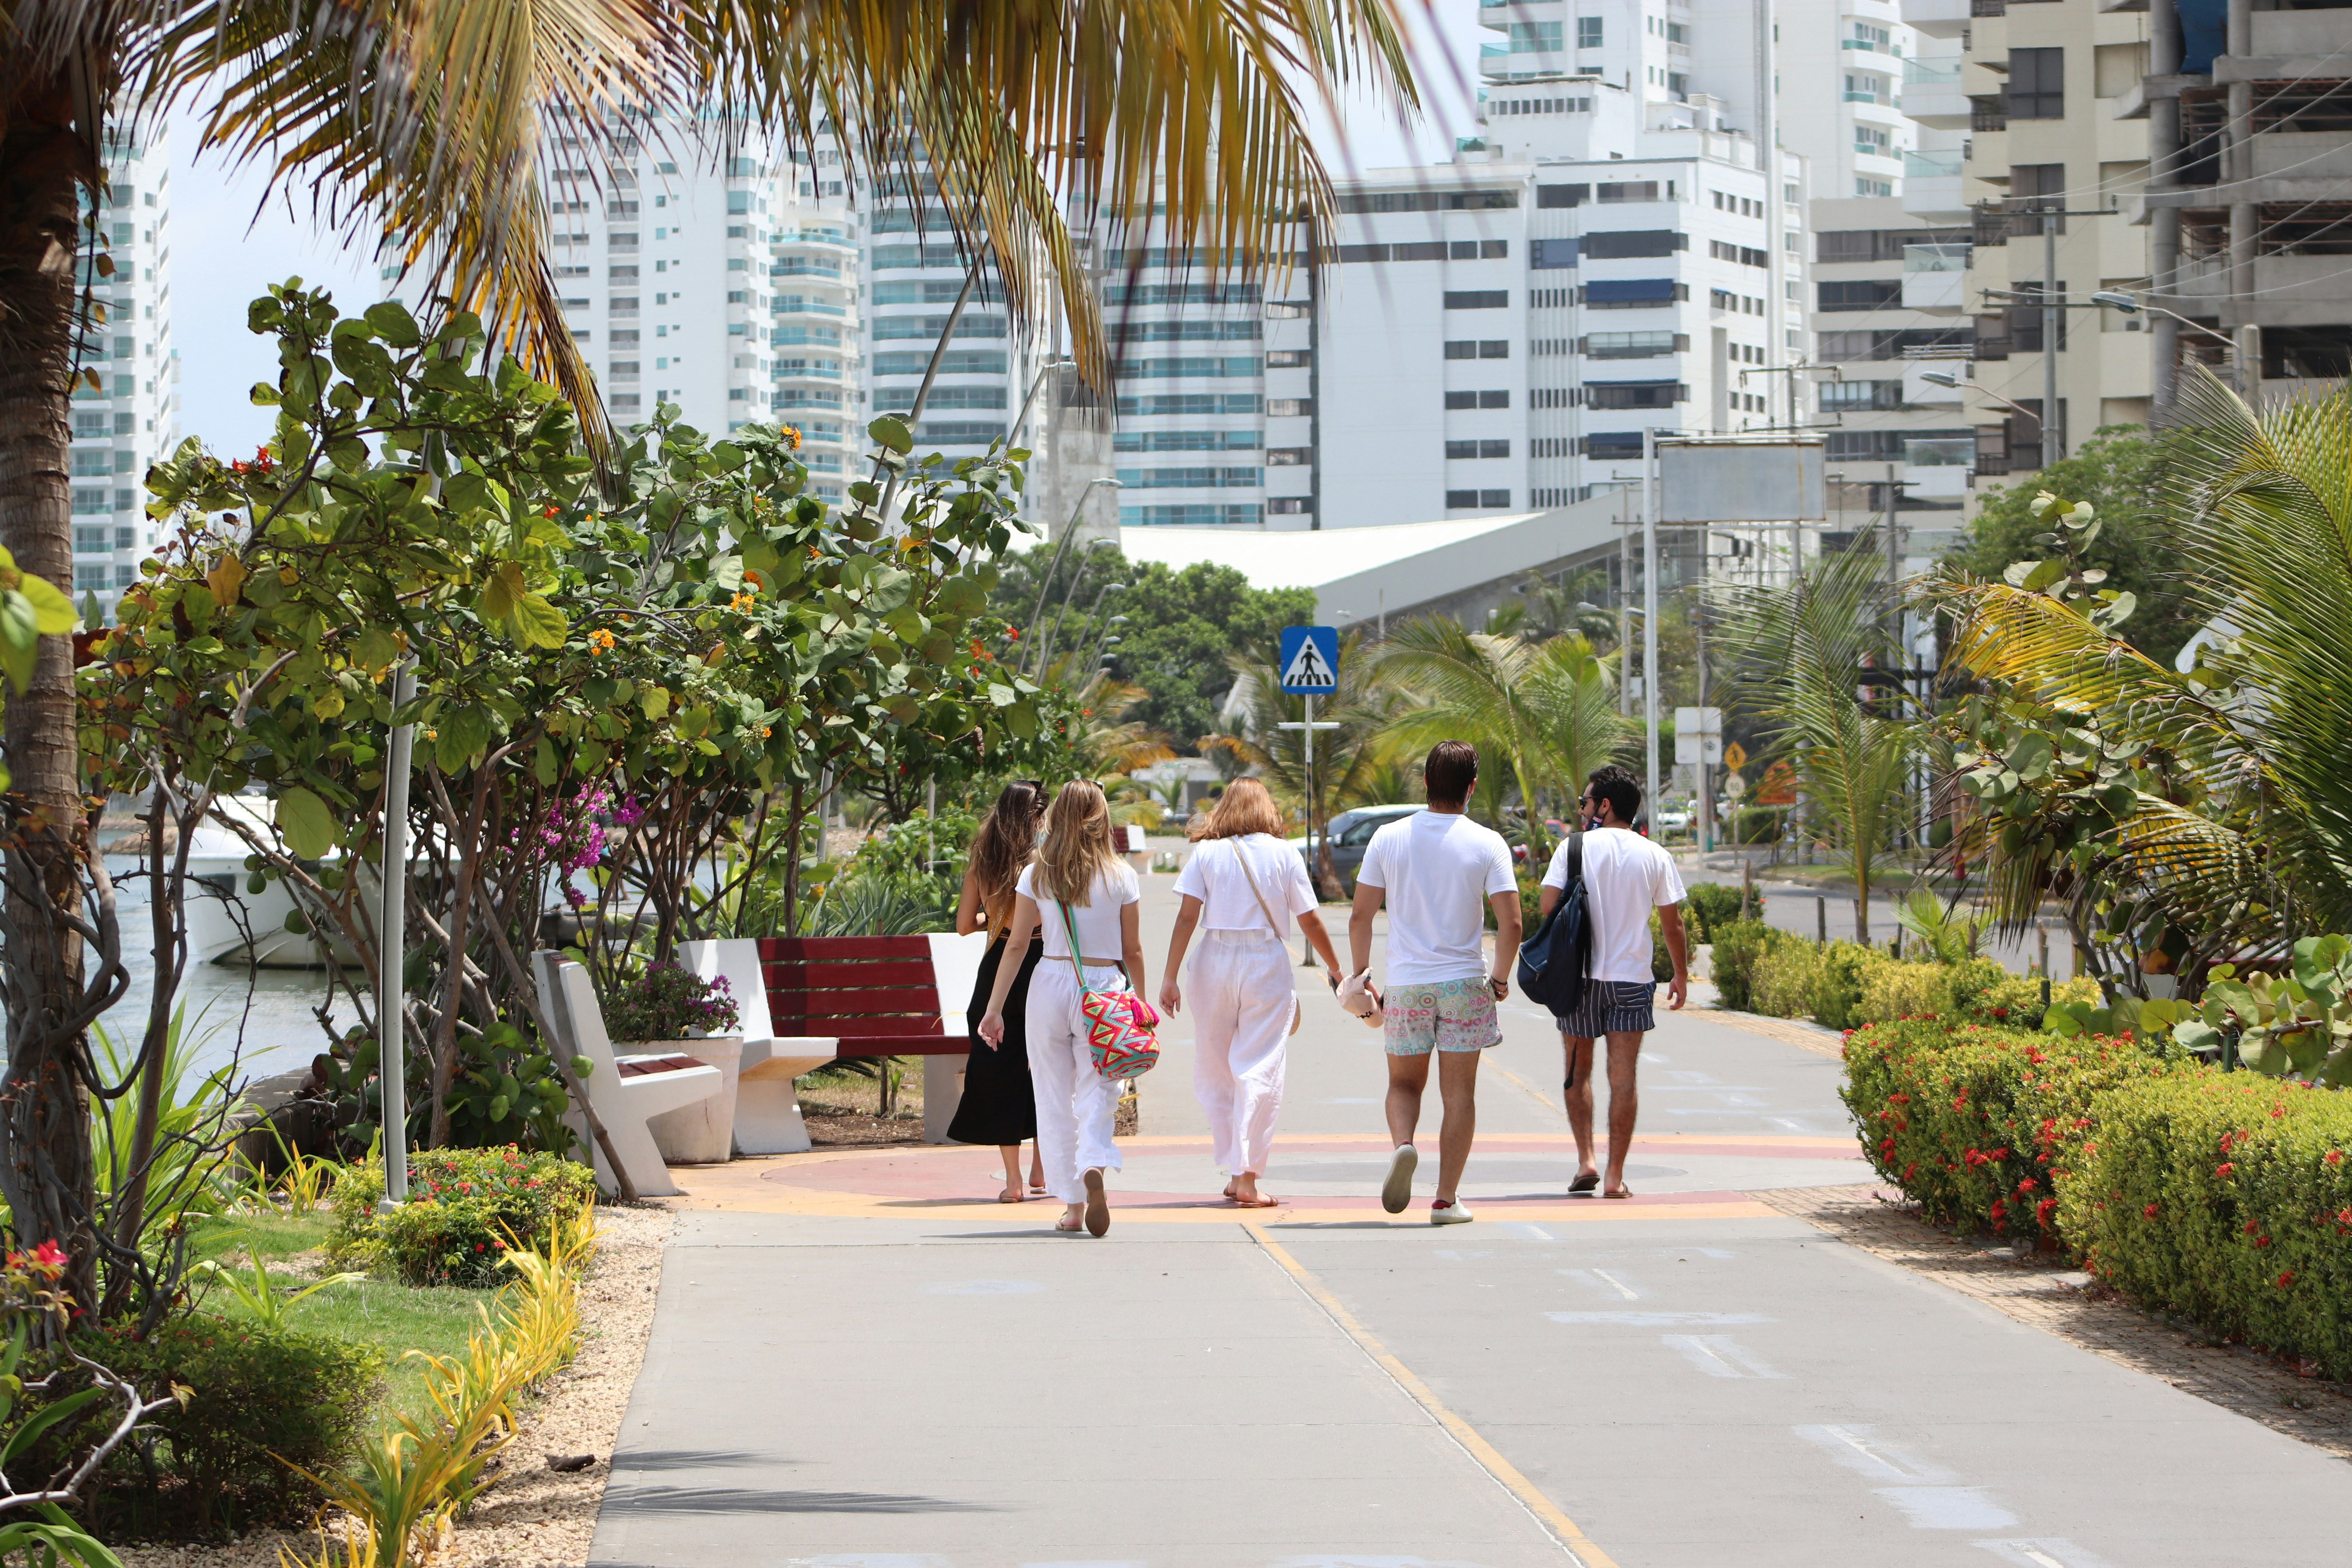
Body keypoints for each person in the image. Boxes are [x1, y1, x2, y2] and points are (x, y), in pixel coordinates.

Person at [1347, 741, 1522, 1225]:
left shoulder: (1388, 837)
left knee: (1404, 1083)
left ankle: (1404, 1145)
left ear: (1424, 782)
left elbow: (1361, 914)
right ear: (1472, 788)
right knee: (1459, 1094)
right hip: (1466, 982)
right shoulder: (1488, 842)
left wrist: (1361, 976)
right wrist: (1501, 980)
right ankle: (1446, 1200)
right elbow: (1512, 924)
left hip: (1406, 985)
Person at [1159, 779, 1342, 1208]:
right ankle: (1247, 1176)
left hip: (1212, 960)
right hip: (1264, 961)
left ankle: (1233, 1167)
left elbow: (1187, 918)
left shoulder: (1206, 852)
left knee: (1216, 1067)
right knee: (1260, 1067)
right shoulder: (1283, 853)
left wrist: (1169, 977)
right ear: (1267, 810)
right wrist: (1335, 969)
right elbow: (1311, 920)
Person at [976, 780, 1148, 1237]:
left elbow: (1015, 946)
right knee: (1100, 1089)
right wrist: (1141, 1004)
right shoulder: (1121, 875)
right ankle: (1094, 1161)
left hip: (1050, 983)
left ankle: (1073, 1206)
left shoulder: (1038, 873)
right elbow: (1132, 950)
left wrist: (994, 1010)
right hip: (1105, 989)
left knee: (1052, 1096)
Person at [1542, 762, 1690, 1200]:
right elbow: (1672, 924)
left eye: (1586, 802)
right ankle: (1613, 1175)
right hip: (1631, 980)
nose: (1584, 809)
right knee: (1623, 1077)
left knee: (1577, 1071)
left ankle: (1586, 1158)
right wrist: (1680, 974)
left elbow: (1548, 907)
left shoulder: (1573, 849)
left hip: (1579, 977)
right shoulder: (1654, 854)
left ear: (1604, 805)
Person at [950, 780, 1050, 1201]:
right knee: (1048, 1068)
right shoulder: (1044, 862)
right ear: (1034, 817)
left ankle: (1012, 1181)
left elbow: (962, 926)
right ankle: (1041, 1172)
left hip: (997, 970)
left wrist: (992, 920)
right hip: (1043, 963)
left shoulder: (983, 861)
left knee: (1000, 1069)